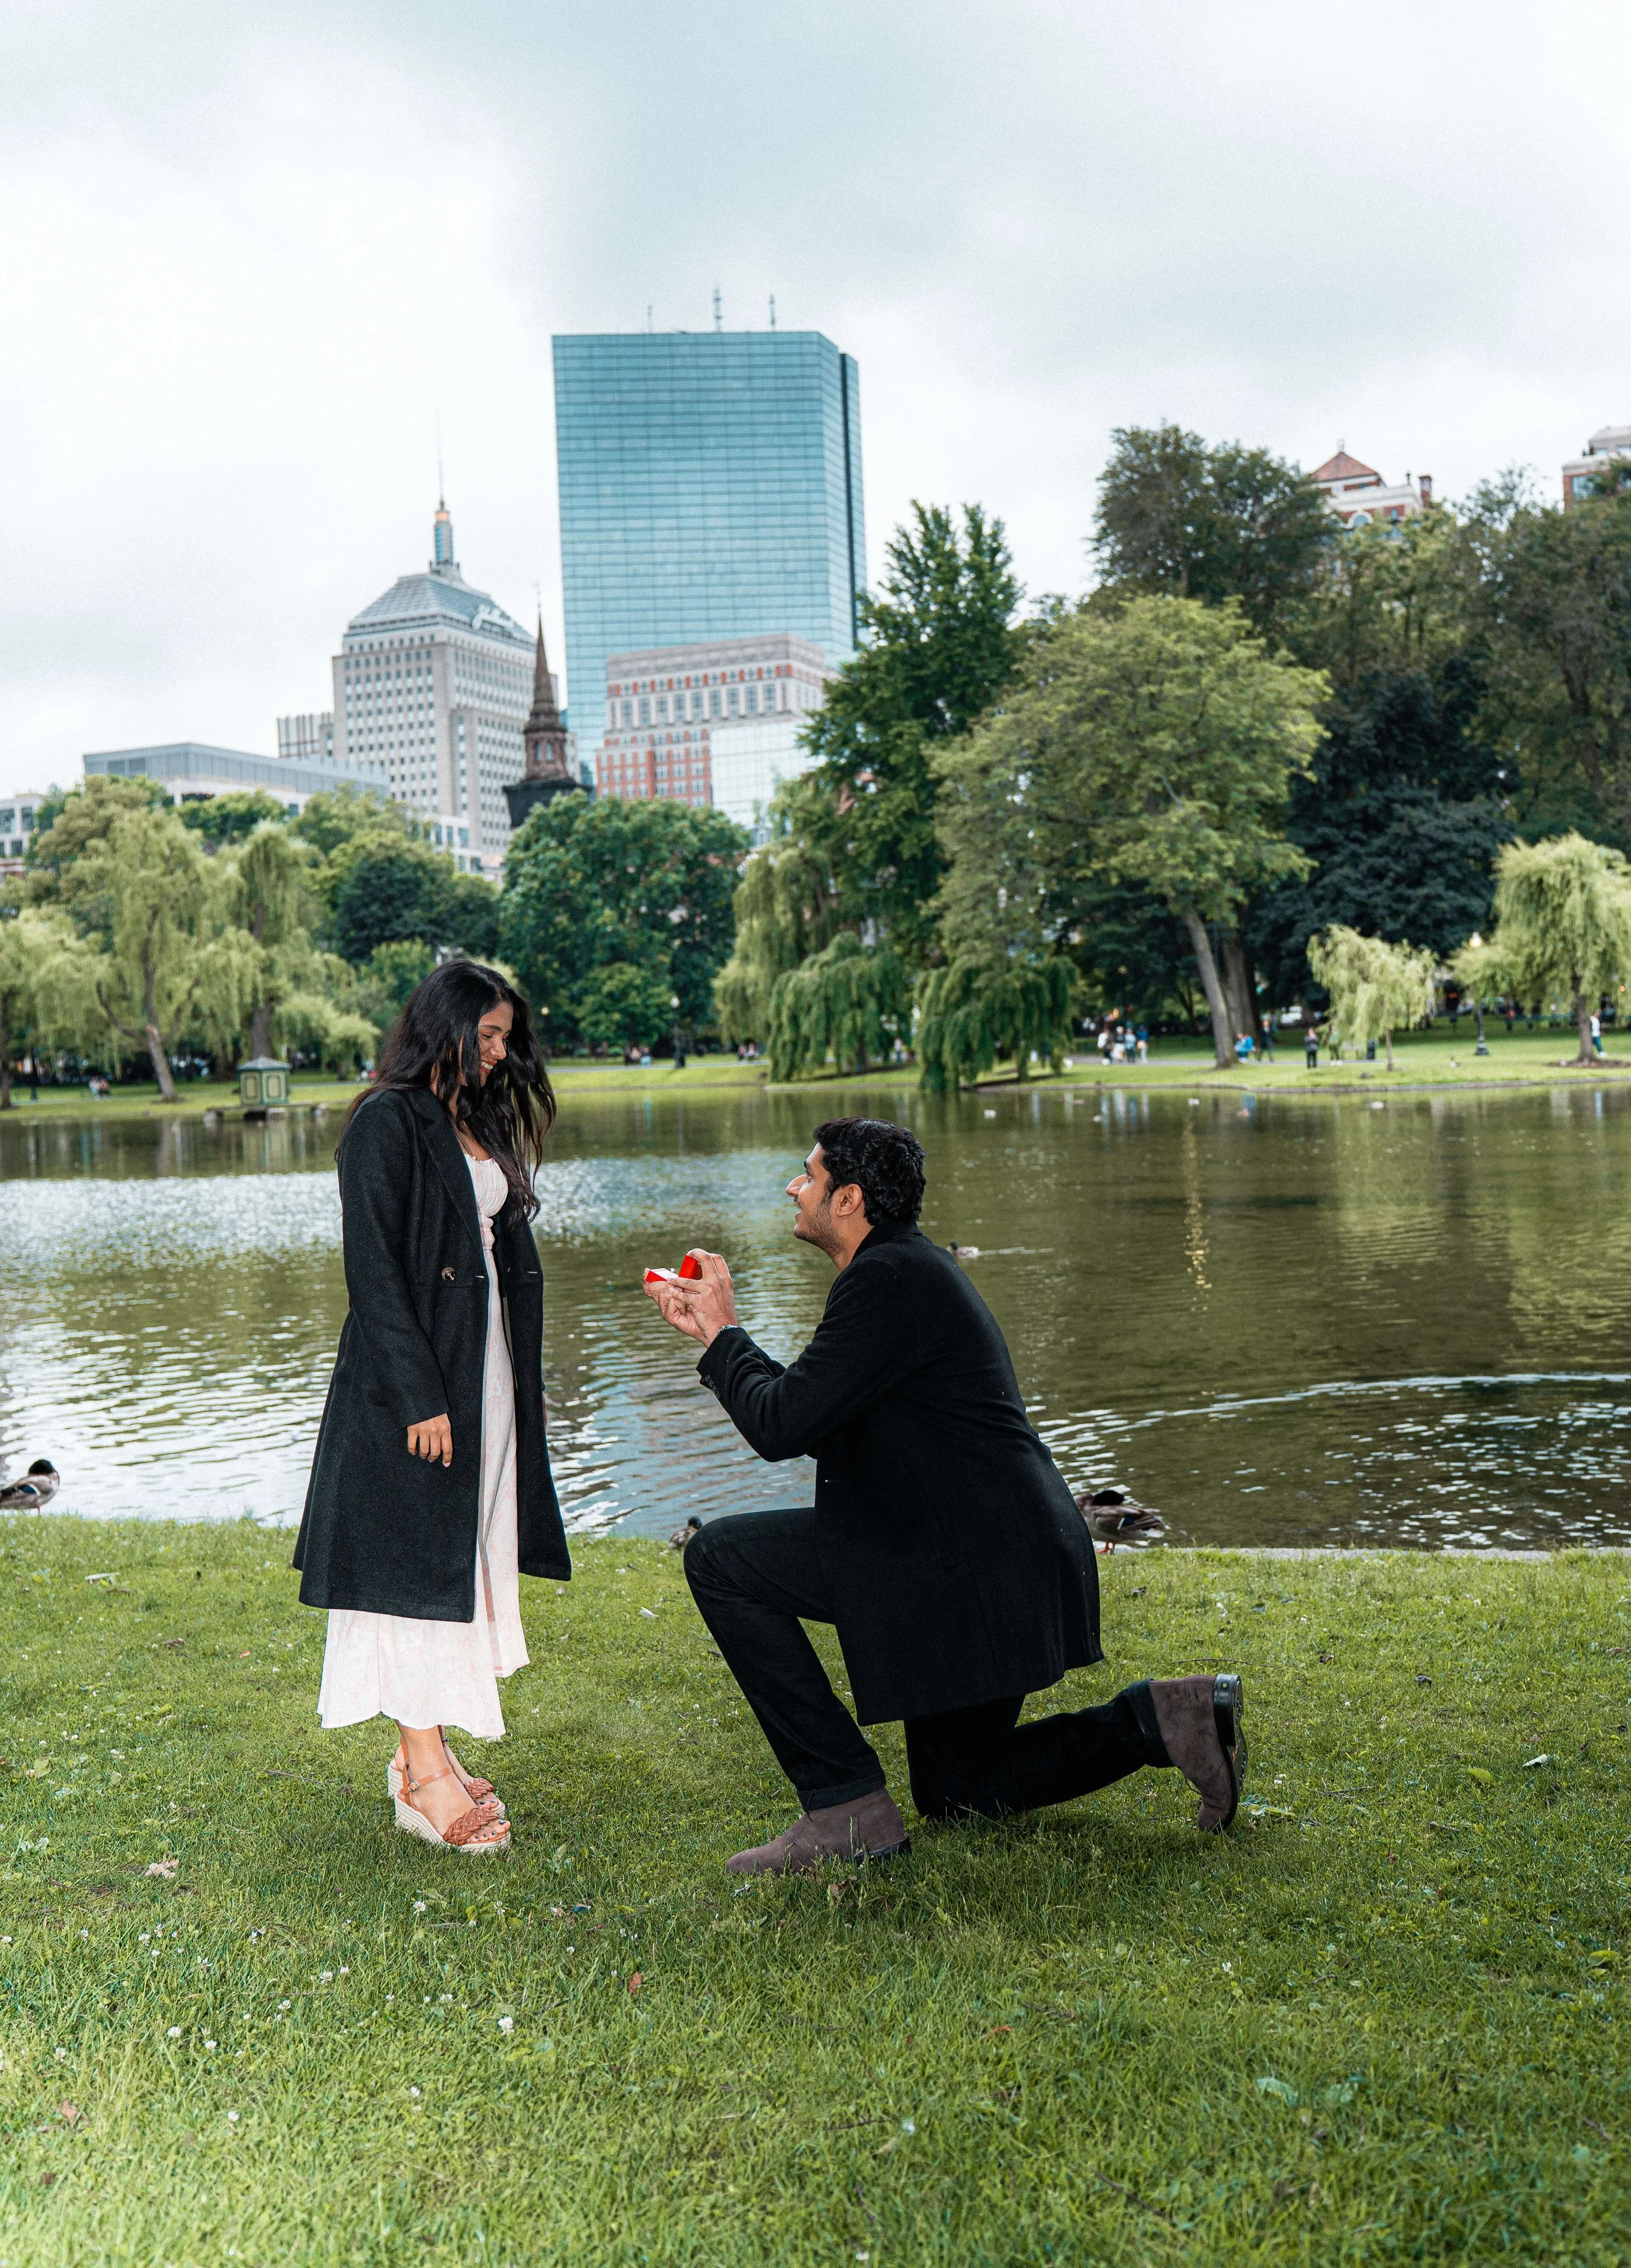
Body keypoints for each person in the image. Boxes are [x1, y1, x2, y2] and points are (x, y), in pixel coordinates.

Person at [644, 1118, 1246, 1876]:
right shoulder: (899, 1270)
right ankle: (1169, 1718)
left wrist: (726, 1328)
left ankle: (844, 1807)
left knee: (721, 1559)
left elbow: (781, 1422)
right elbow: (807, 1407)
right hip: (987, 1558)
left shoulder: (887, 1278)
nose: (794, 1186)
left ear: (850, 1197)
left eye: (808, 1175)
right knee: (957, 1786)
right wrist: (717, 1337)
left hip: (968, 1565)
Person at [294, 961, 570, 1855]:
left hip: (480, 1371)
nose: (499, 1052)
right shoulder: (387, 1120)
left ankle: (432, 1746)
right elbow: (371, 1268)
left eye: (504, 1037)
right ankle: (420, 1774)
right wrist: (420, 1395)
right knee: (412, 1570)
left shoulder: (472, 1118)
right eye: (486, 1035)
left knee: (455, 1560)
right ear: (443, 1027)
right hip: (410, 1391)